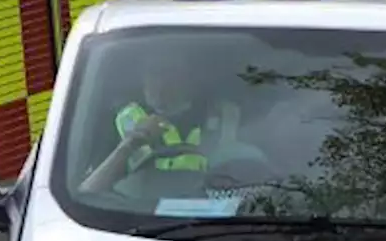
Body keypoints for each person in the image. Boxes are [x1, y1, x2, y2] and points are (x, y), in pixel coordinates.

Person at [78, 61, 269, 194]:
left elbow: (265, 183)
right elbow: (88, 191)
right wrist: (129, 145)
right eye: (153, 72)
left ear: (191, 78)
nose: (160, 82)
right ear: (141, 78)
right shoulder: (120, 120)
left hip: (218, 223)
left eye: (169, 71)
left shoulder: (230, 114)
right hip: (134, 225)